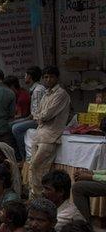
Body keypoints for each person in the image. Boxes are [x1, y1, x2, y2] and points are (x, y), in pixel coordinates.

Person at [29, 66, 70, 199]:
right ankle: (35, 198)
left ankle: (41, 199)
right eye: (45, 77)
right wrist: (39, 116)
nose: (48, 79)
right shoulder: (46, 94)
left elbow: (46, 115)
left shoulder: (61, 94)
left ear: (57, 78)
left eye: (51, 76)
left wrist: (39, 116)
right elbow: (36, 112)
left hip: (50, 136)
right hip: (39, 135)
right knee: (32, 168)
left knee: (39, 168)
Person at [12, 66, 47, 161]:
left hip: (38, 120)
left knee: (16, 128)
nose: (24, 77)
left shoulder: (38, 90)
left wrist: (27, 118)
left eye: (26, 75)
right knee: (11, 124)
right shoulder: (34, 89)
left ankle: (22, 156)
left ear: (30, 77)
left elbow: (37, 113)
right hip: (34, 117)